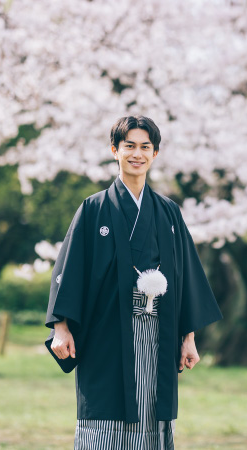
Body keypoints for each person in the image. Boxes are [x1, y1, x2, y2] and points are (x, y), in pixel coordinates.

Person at [45, 115, 222, 449]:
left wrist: (189, 337)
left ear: (155, 154)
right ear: (115, 150)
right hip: (106, 333)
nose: (137, 154)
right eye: (129, 146)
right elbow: (69, 270)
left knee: (153, 413)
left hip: (159, 332)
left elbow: (185, 278)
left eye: (145, 147)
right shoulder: (93, 209)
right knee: (104, 411)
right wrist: (61, 327)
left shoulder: (169, 212)